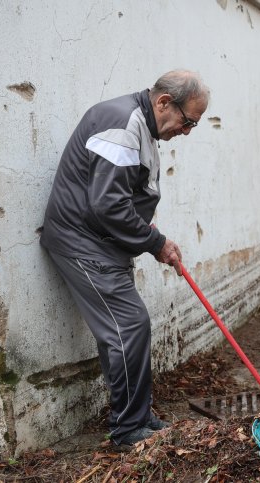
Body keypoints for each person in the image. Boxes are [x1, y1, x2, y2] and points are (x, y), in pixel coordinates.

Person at [40, 70, 210, 445]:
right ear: (164, 102)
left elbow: (123, 195)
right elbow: (108, 204)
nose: (187, 131)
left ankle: (136, 417)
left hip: (102, 243)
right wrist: (156, 241)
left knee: (124, 330)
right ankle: (128, 430)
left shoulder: (141, 127)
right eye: (188, 121)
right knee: (130, 325)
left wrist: (148, 232)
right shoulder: (123, 124)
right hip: (82, 242)